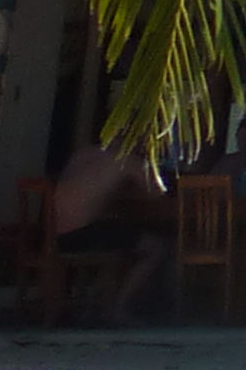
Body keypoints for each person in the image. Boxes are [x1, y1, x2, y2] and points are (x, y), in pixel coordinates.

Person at [47, 138, 173, 323]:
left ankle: (94, 305)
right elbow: (158, 193)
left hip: (58, 236)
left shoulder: (82, 154)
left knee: (122, 236)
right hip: (87, 235)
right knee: (157, 247)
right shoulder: (126, 159)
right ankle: (118, 308)